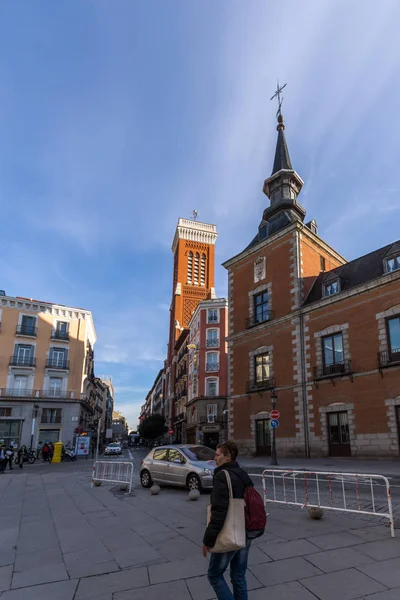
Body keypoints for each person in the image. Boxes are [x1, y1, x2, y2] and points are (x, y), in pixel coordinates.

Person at [203, 440, 253, 600]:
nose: (215, 458)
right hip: (246, 531)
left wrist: (208, 540)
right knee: (239, 576)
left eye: (218, 455)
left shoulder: (221, 476)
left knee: (214, 575)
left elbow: (219, 510)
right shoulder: (243, 474)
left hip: (230, 531)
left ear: (228, 457)